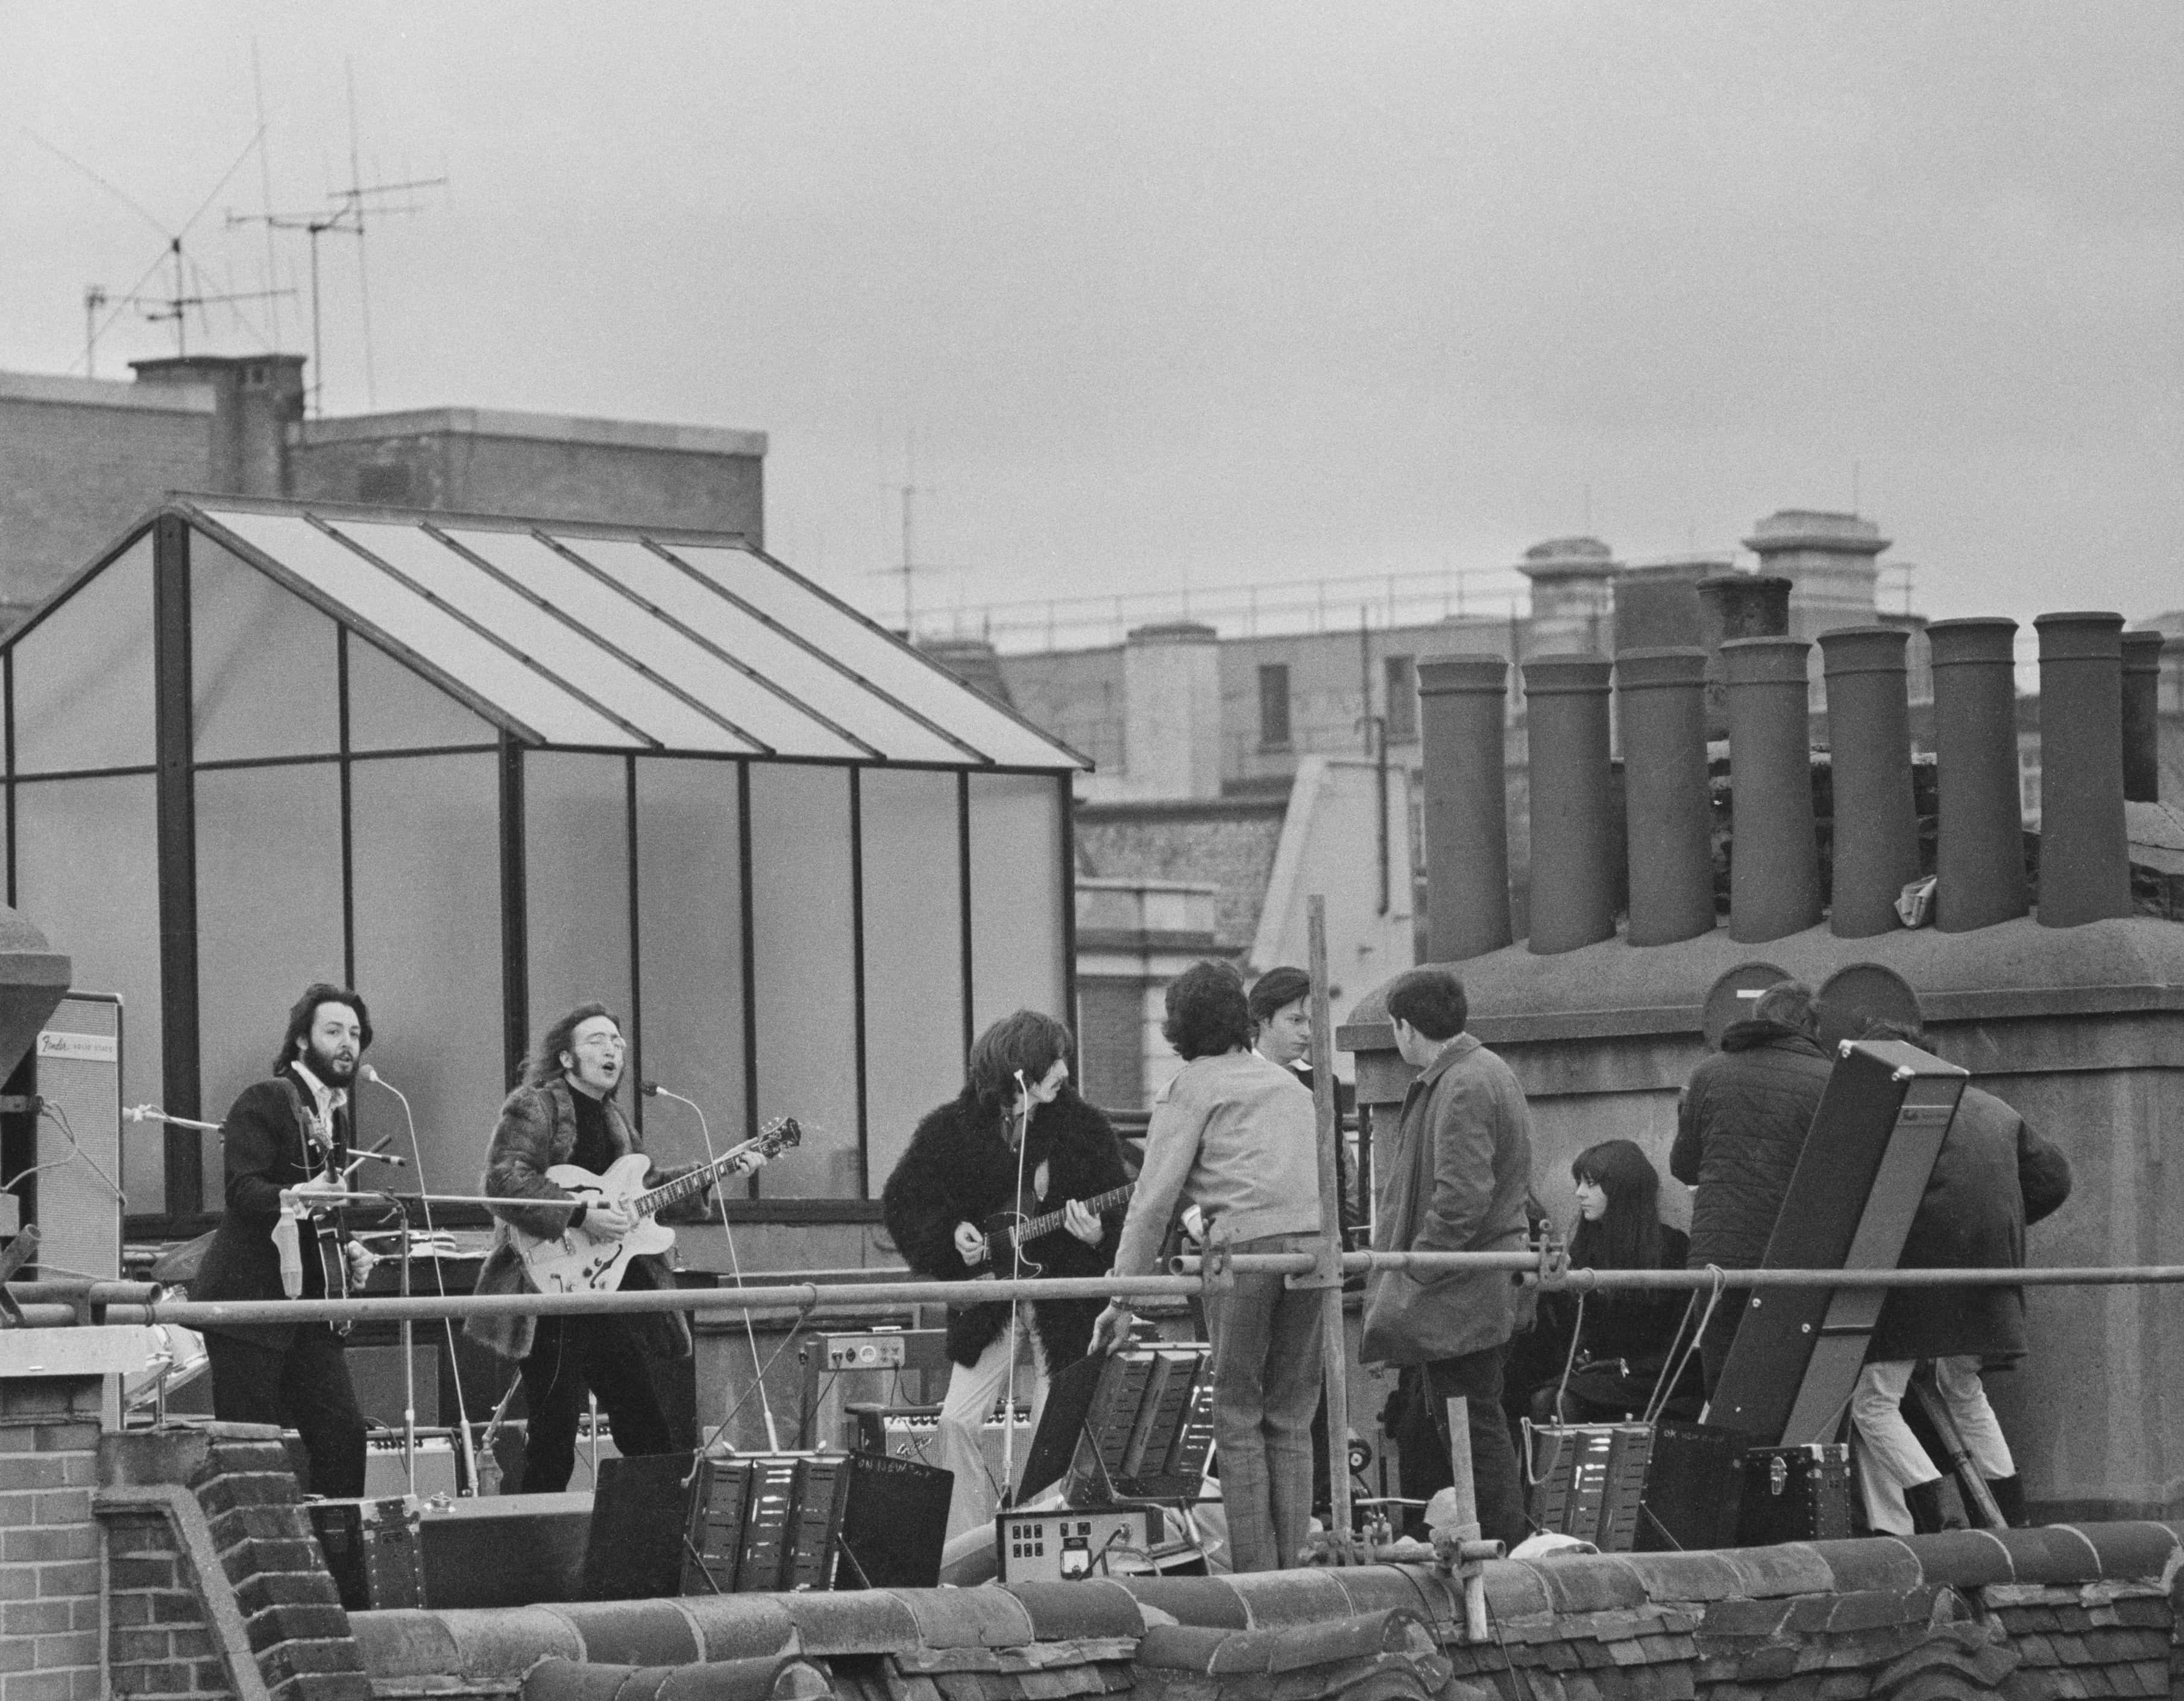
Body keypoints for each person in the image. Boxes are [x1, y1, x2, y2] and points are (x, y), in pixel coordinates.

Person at [1091, 961, 1326, 1572]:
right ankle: (1298, 1570)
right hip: (1313, 1252)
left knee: (1237, 1413)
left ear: (1178, 1028)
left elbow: (1150, 1204)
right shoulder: (1287, 1086)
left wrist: (1122, 1299)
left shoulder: (1191, 1085)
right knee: (1291, 1416)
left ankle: (1256, 1576)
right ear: (1245, 1021)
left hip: (1244, 1251)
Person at [882, 1011, 1128, 1539]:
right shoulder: (950, 1128)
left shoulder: (1084, 1129)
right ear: (1020, 1071)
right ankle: (967, 1547)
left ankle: (1041, 1557)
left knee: (1050, 1435)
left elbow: (1123, 1212)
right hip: (988, 1297)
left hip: (1064, 1300)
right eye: (1053, 1061)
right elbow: (904, 1201)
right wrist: (949, 1236)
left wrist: (1097, 1236)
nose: (1065, 1069)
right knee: (955, 1421)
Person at [468, 1003, 731, 1493]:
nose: (613, 1048)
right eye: (597, 1040)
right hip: (548, 1292)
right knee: (553, 1437)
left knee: (647, 1431)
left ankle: (658, 1543)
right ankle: (536, 1551)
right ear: (566, 1058)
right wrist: (580, 1214)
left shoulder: (615, 1120)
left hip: (608, 1293)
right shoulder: (535, 1106)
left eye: (617, 1041)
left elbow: (643, 1195)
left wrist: (719, 1171)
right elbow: (504, 1179)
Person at [1848, 1018, 2072, 1533]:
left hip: (1914, 1280)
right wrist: (2001, 1226)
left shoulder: (1893, 1107)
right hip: (1990, 1272)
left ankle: (1934, 1511)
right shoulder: (1996, 1108)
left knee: (1874, 1402)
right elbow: (2054, 1180)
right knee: (1963, 1388)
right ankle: (2007, 1520)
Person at [1359, 967, 1532, 1552]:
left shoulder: (1460, 1083)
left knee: (1471, 1421)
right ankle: (1492, 1538)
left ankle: (1500, 1544)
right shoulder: (1480, 1073)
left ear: (1406, 1027)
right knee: (1466, 1417)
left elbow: (1459, 1197)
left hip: (1460, 1288)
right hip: (1472, 1282)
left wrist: (1418, 1268)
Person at [194, 984, 375, 1498]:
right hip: (249, 1307)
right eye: (334, 1031)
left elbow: (323, 1205)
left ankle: (336, 1566)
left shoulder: (334, 1114)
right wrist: (300, 1196)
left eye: (356, 1034)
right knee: (253, 1452)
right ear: (301, 1041)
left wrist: (349, 1246)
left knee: (344, 1436)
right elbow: (243, 1190)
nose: (348, 1044)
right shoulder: (266, 1098)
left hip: (305, 1309)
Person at [1669, 978, 1833, 1395]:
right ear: (1808, 1026)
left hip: (1717, 1259)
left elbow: (1684, 1166)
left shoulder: (1709, 1072)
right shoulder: (1829, 1080)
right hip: (1795, 1259)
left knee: (1724, 1388)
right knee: (1788, 1391)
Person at [1523, 1140, 1700, 1426]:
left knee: (1555, 1400)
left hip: (1652, 1377)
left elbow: (1681, 1338)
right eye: (1579, 1182)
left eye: (1591, 1184)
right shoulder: (1583, 1248)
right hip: (1596, 1374)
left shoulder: (1672, 1248)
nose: (1579, 1193)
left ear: (1623, 1190)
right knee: (1546, 1398)